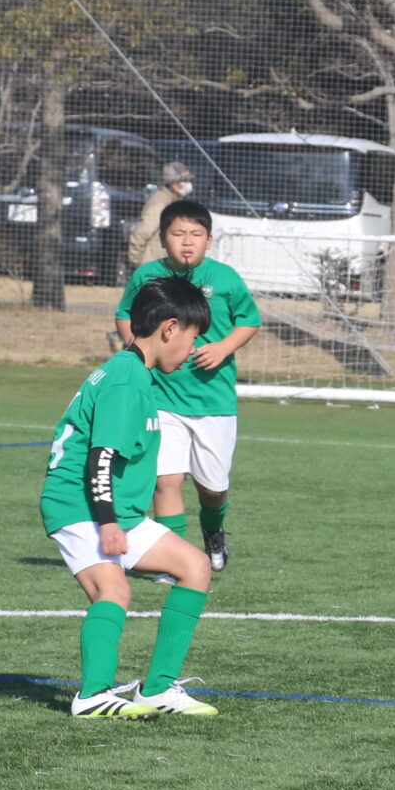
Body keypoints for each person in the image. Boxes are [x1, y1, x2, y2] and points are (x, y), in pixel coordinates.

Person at [40, 273, 221, 718]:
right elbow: (100, 458)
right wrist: (107, 523)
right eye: (193, 337)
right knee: (114, 589)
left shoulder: (133, 373)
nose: (193, 349)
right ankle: (93, 696)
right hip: (81, 504)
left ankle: (157, 689)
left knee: (195, 566)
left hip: (113, 508)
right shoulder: (126, 380)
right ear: (170, 328)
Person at [112, 199, 264, 573]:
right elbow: (124, 314)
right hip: (161, 397)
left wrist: (224, 347)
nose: (186, 241)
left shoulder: (225, 278)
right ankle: (173, 561)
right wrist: (136, 348)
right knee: (166, 481)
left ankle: (213, 531)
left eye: (195, 234)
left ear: (208, 241)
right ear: (163, 239)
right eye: (178, 233)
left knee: (212, 489)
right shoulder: (147, 276)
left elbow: (250, 320)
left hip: (213, 401)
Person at [125, 161, 197, 271]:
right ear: (173, 184)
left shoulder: (174, 202)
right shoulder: (160, 203)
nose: (188, 184)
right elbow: (142, 233)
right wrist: (136, 260)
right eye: (184, 181)